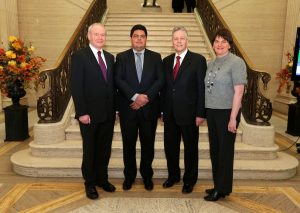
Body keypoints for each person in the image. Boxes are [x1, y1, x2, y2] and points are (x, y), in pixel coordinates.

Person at [115, 24, 164, 191]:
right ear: (131, 38)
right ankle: (129, 177)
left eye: (142, 36)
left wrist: (145, 98)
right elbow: (119, 80)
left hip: (149, 110)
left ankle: (147, 176)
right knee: (128, 145)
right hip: (128, 109)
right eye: (136, 36)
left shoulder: (156, 57)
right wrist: (135, 97)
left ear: (146, 39)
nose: (139, 39)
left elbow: (160, 80)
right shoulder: (121, 57)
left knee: (148, 146)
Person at [71, 23, 116, 200]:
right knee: (90, 150)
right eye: (96, 34)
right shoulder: (79, 56)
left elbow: (112, 87)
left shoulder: (110, 57)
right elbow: (76, 86)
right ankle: (89, 183)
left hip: (108, 113)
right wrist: (82, 112)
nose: (100, 37)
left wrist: (116, 110)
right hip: (88, 115)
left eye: (103, 35)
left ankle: (102, 179)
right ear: (89, 36)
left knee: (104, 149)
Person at [161, 26, 207, 194]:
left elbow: (201, 89)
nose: (178, 41)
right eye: (175, 39)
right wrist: (162, 111)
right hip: (170, 113)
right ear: (172, 42)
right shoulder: (166, 61)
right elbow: (164, 89)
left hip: (190, 114)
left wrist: (200, 113)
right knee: (170, 147)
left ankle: (189, 180)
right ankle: (173, 176)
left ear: (187, 41)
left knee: (190, 148)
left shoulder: (198, 60)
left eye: (182, 38)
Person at [203, 28, 247, 201]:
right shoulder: (211, 63)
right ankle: (217, 185)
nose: (219, 44)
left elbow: (239, 91)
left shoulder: (236, 62)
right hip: (212, 112)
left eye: (223, 41)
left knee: (225, 152)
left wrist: (232, 118)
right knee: (215, 151)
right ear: (213, 44)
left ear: (229, 44)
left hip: (227, 113)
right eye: (217, 41)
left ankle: (222, 188)